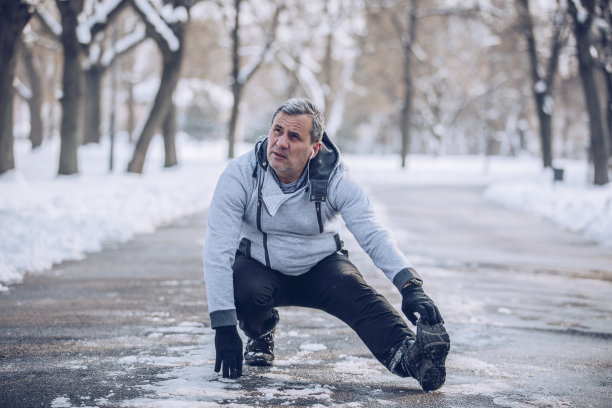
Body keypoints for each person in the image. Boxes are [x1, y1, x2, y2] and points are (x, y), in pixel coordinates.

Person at [202, 98, 450, 391]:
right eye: (277, 131)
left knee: (363, 298)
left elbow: (372, 232)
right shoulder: (241, 174)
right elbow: (218, 249)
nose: (280, 142)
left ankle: (411, 356)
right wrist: (224, 325)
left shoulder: (335, 177)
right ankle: (260, 333)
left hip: (321, 265)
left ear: (314, 149)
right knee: (244, 289)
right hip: (260, 267)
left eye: (294, 136)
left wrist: (410, 285)